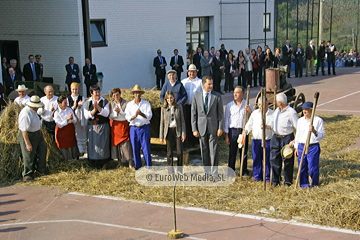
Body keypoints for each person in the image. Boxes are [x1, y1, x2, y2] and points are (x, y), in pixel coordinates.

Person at [191, 76, 223, 177]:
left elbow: (220, 114)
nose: (211, 86)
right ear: (203, 84)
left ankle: (214, 174)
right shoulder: (196, 97)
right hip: (201, 128)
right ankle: (207, 172)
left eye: (212, 84)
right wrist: (194, 129)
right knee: (204, 150)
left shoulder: (216, 96)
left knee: (213, 151)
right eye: (209, 84)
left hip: (213, 127)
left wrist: (220, 127)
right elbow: (193, 114)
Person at [291, 102, 325, 188]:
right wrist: (296, 147)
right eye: (303, 109)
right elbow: (298, 135)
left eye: (306, 109)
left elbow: (321, 135)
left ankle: (314, 183)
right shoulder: (300, 121)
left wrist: (314, 131)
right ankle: (304, 184)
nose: (304, 111)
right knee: (302, 166)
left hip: (313, 146)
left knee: (313, 167)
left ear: (312, 110)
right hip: (301, 146)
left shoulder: (318, 121)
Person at [270, 93, 298, 186]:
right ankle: (275, 180)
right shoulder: (276, 111)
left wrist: (294, 140)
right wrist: (266, 126)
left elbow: (298, 127)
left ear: (280, 103)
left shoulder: (291, 112)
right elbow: (272, 124)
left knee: (287, 161)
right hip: (276, 137)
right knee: (274, 159)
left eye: (276, 101)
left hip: (287, 138)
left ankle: (287, 181)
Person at [224, 86, 253, 175]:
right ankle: (230, 170)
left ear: (242, 94)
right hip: (233, 131)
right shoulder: (230, 105)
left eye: (237, 92)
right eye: (234, 92)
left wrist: (250, 111)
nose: (235, 94)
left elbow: (254, 117)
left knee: (243, 152)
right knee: (232, 151)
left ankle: (243, 170)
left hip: (243, 131)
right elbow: (226, 120)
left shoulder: (247, 104)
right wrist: (226, 135)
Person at [18, 95, 47, 181]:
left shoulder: (34, 111)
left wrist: (40, 132)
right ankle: (27, 174)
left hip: (37, 133)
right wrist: (27, 143)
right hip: (28, 135)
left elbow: (36, 123)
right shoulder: (25, 114)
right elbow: (24, 130)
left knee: (42, 149)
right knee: (28, 154)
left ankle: (41, 170)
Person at [245, 98, 273, 182]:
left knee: (267, 159)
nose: (261, 107)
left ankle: (268, 177)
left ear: (267, 104)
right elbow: (249, 125)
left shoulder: (272, 114)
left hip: (267, 140)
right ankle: (257, 176)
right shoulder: (254, 113)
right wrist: (245, 131)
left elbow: (275, 126)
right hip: (256, 140)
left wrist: (267, 126)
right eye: (259, 105)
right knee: (256, 158)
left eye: (263, 105)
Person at [125, 85, 152, 170]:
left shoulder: (146, 104)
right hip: (134, 128)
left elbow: (149, 116)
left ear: (141, 93)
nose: (137, 94)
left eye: (138, 93)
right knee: (135, 148)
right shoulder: (129, 105)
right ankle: (138, 166)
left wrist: (141, 114)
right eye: (136, 93)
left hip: (144, 127)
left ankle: (148, 166)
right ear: (133, 94)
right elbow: (128, 118)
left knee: (146, 148)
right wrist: (135, 115)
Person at [84, 85, 111, 169]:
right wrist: (94, 110)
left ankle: (104, 163)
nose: (98, 94)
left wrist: (98, 107)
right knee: (93, 144)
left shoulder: (104, 101)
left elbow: (106, 113)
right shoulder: (87, 103)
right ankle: (94, 163)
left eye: (98, 92)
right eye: (96, 92)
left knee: (103, 144)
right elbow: (86, 116)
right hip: (92, 127)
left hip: (103, 126)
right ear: (91, 93)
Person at [159, 91, 186, 169]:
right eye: (168, 98)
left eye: (171, 98)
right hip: (168, 131)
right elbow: (162, 123)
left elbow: (182, 121)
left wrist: (183, 133)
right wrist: (161, 136)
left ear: (174, 98)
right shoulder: (163, 108)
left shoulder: (179, 106)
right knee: (169, 153)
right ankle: (170, 170)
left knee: (179, 152)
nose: (169, 100)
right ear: (166, 99)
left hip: (177, 131)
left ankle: (180, 170)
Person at [109, 88, 133, 168]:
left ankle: (130, 161)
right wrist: (116, 113)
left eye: (117, 94)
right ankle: (119, 162)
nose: (116, 96)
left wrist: (120, 112)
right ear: (112, 96)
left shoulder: (126, 103)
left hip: (123, 125)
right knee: (117, 145)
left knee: (126, 144)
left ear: (120, 94)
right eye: (114, 95)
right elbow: (110, 115)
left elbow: (128, 115)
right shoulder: (111, 104)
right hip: (115, 126)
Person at [181, 64, 202, 148]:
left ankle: (195, 142)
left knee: (196, 123)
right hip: (186, 106)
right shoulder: (184, 82)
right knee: (187, 123)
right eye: (190, 72)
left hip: (196, 107)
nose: (192, 73)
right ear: (188, 72)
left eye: (193, 72)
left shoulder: (200, 82)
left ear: (196, 72)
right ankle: (188, 142)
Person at [54, 95, 79, 161]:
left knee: (72, 144)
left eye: (66, 102)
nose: (66, 104)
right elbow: (59, 125)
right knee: (63, 145)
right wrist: (67, 119)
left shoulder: (69, 109)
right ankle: (65, 160)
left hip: (70, 130)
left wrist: (71, 119)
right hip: (62, 131)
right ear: (59, 103)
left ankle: (73, 159)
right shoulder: (56, 112)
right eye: (64, 103)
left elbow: (75, 120)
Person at [67, 82, 87, 155]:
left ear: (78, 90)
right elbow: (67, 109)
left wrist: (79, 107)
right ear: (70, 90)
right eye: (73, 89)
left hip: (79, 120)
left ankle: (82, 151)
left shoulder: (81, 98)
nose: (74, 91)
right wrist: (74, 107)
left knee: (80, 134)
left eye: (76, 89)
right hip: (71, 120)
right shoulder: (68, 99)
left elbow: (84, 109)